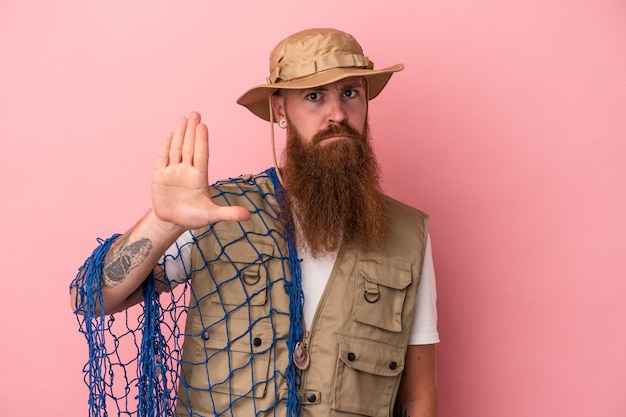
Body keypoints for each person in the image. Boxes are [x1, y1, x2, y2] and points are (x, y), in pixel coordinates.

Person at [71, 28, 439, 417]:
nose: (338, 114)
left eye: (350, 92)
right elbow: (90, 298)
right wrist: (163, 223)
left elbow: (417, 396)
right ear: (280, 110)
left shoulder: (407, 235)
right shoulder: (214, 213)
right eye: (314, 96)